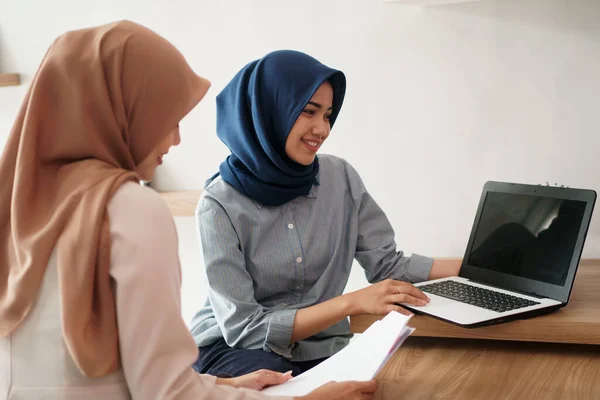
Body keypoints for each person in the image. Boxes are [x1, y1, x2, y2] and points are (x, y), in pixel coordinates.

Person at [0, 22, 376, 400]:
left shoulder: (16, 208)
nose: (176, 138)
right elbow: (166, 392)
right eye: (167, 118)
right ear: (123, 111)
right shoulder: (132, 211)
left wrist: (223, 386)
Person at [190, 50, 461, 378]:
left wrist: (484, 266)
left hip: (319, 346)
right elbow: (244, 329)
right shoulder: (218, 204)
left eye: (329, 115)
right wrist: (352, 303)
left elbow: (389, 267)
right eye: (309, 112)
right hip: (233, 350)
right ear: (269, 111)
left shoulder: (340, 178)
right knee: (280, 380)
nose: (323, 129)